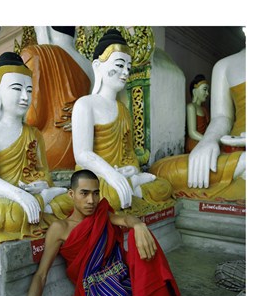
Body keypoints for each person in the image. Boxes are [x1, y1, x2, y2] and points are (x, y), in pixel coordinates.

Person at [3, 169, 220, 296]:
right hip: (97, 292)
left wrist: (138, 224)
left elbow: (125, 218)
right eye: (84, 193)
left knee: (138, 235)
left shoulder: (102, 215)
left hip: (124, 278)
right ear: (71, 194)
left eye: (96, 194)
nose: (91, 200)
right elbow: (41, 276)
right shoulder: (60, 229)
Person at [71, 29, 174, 216]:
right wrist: (112, 174)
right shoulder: (85, 104)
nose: (125, 72)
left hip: (121, 175)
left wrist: (132, 168)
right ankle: (131, 187)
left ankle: (131, 185)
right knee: (109, 197)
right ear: (97, 66)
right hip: (96, 176)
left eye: (128, 67)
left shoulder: (123, 111)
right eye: (119, 65)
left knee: (164, 186)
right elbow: (82, 154)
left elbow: (128, 153)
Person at [0, 52, 68, 243]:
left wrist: (41, 185)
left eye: (30, 90)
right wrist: (20, 196)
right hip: (4, 198)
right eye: (17, 88)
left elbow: (43, 173)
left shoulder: (34, 133)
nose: (25, 97)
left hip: (34, 192)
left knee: (71, 202)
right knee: (10, 215)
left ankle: (43, 201)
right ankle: (43, 202)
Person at [149, 49, 245, 203]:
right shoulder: (224, 66)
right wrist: (210, 139)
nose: (207, 94)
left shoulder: (202, 109)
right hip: (230, 151)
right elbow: (222, 117)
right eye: (204, 90)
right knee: (159, 171)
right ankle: (243, 164)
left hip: (237, 152)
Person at [20, 26, 93, 171]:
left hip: (49, 151)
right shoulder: (90, 64)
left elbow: (33, 118)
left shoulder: (34, 54)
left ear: (43, 28)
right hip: (86, 146)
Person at [185, 74, 210, 153]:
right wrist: (208, 140)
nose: (207, 93)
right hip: (195, 142)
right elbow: (192, 132)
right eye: (205, 89)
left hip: (204, 141)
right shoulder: (191, 107)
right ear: (195, 91)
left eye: (207, 90)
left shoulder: (204, 109)